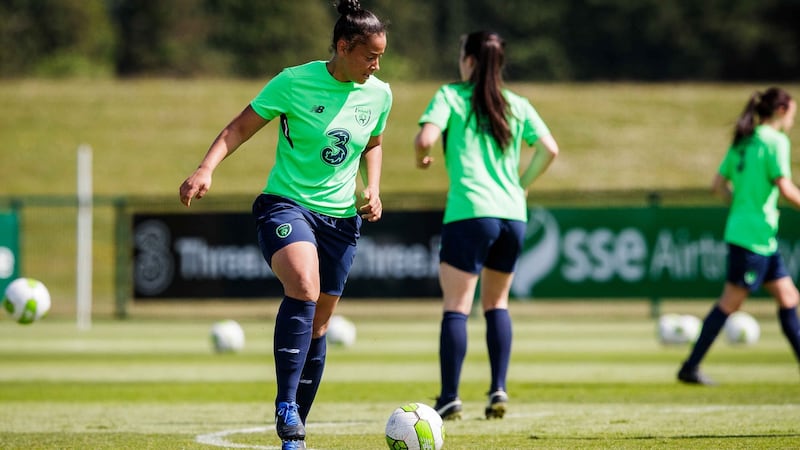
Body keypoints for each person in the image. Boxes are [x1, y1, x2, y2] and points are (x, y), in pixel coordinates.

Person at [179, 1, 391, 448]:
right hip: (286, 205)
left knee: (318, 325)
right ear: (342, 47)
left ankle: (295, 432)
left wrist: (372, 188)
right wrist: (205, 169)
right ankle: (286, 406)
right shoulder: (294, 81)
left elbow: (372, 142)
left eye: (380, 57)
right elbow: (239, 127)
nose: (376, 65)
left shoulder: (379, 94)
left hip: (341, 221)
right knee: (304, 285)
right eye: (369, 55)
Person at [414, 31, 559, 420]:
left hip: (470, 213)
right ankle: (498, 389)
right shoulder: (517, 103)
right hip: (512, 215)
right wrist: (521, 186)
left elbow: (426, 137)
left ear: (470, 61)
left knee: (457, 307)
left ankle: (449, 397)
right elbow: (550, 148)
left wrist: (421, 155)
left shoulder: (451, 96)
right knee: (497, 304)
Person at [678, 87, 800, 385]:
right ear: (782, 110)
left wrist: (742, 203)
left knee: (788, 297)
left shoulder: (743, 141)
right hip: (753, 238)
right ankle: (690, 367)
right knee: (730, 303)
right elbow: (785, 188)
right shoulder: (776, 141)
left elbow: (717, 185)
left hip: (755, 236)